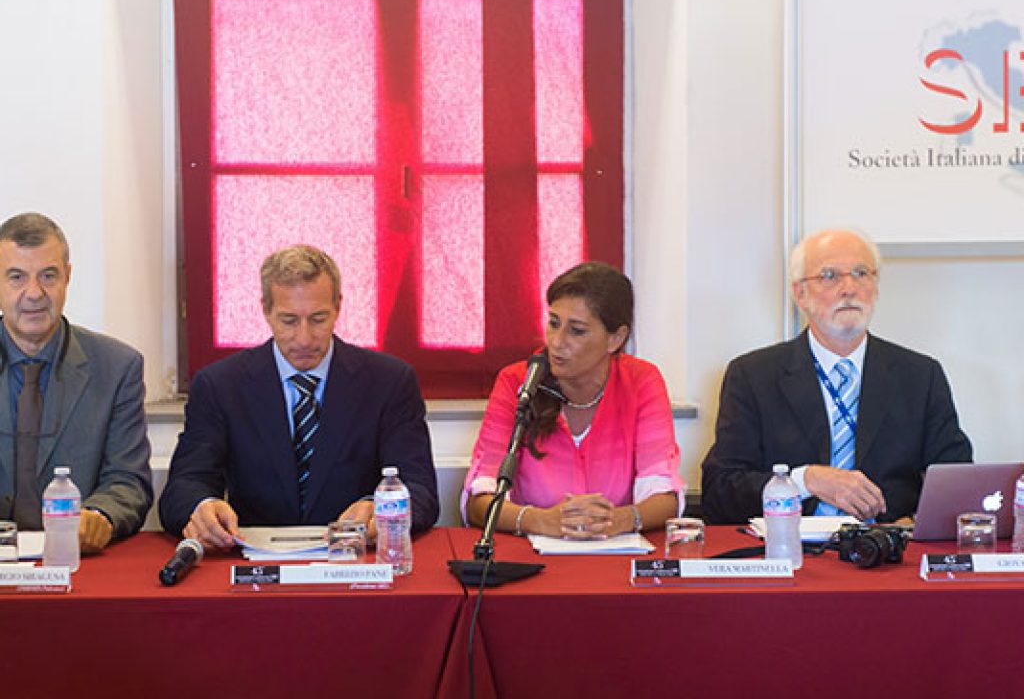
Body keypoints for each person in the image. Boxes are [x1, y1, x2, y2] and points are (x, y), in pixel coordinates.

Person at [159, 244, 439, 549]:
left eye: (318, 319)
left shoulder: (389, 381)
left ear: (338, 307)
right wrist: (202, 507)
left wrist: (380, 508)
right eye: (289, 321)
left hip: (355, 556)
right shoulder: (220, 385)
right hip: (254, 558)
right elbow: (183, 487)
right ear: (266, 310)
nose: (304, 339)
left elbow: (420, 490)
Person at [701, 227, 972, 525]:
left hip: (888, 545)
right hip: (792, 545)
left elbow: (957, 484)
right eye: (829, 276)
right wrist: (805, 481)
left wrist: (914, 521)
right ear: (800, 294)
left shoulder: (920, 376)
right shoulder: (753, 376)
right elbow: (719, 493)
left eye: (860, 273)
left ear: (876, 287)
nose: (849, 289)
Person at [464, 262, 683, 539]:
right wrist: (540, 520)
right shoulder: (518, 381)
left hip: (615, 552)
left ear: (616, 338)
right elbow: (480, 501)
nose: (557, 342)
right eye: (554, 324)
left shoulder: (641, 381)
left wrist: (618, 520)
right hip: (531, 554)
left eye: (576, 331)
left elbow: (664, 495)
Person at [0, 212, 153, 550]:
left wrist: (100, 515)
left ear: (67, 277)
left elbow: (127, 480)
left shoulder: (117, 367)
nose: (34, 293)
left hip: (77, 559)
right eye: (16, 277)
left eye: (48, 275)